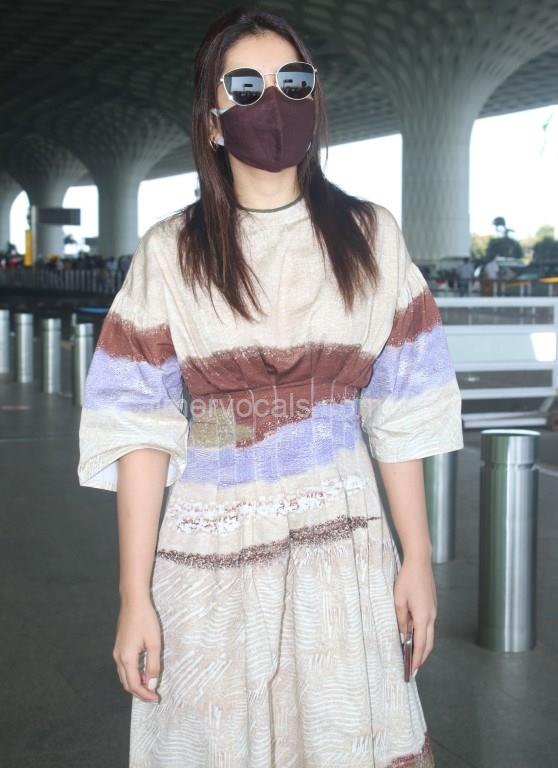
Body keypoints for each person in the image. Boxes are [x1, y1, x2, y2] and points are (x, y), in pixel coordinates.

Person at [78, 7, 463, 767]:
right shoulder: (171, 252)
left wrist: (416, 557)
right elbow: (140, 426)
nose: (274, 102)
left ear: (315, 97)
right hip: (210, 549)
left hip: (344, 549)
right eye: (246, 87)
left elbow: (400, 409)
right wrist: (134, 595)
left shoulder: (371, 236)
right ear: (213, 121)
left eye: (293, 81)